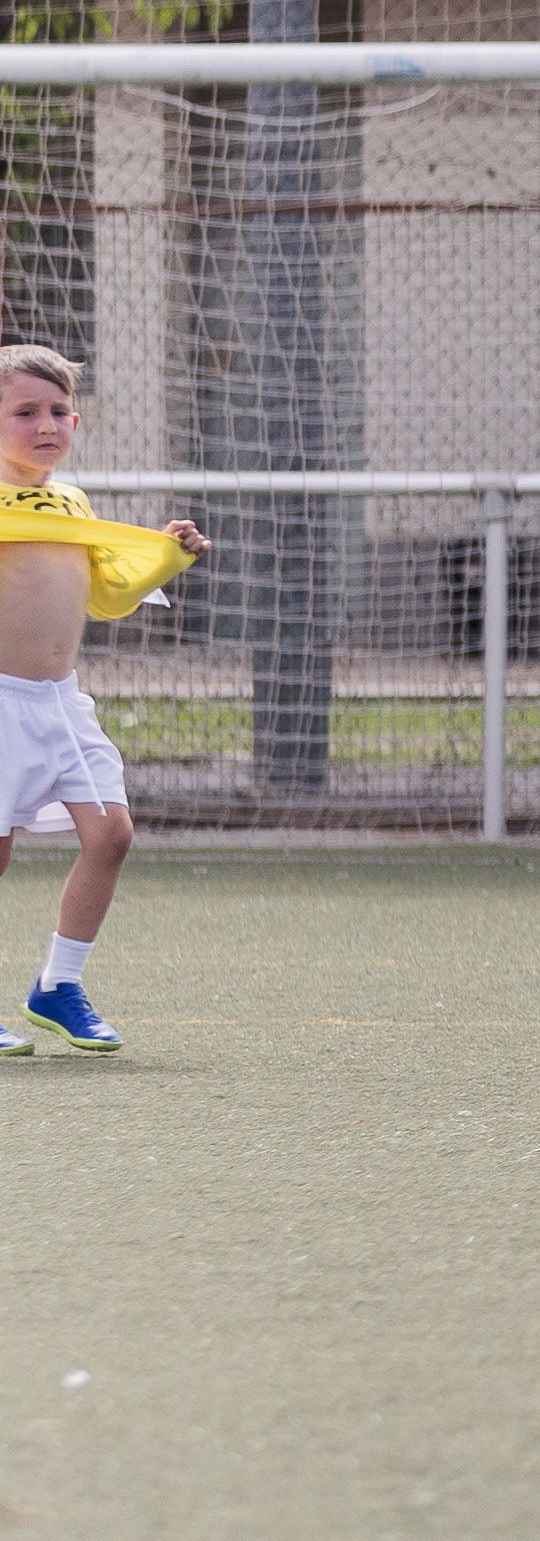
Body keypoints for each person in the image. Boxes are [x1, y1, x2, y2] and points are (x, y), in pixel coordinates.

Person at [0, 344, 203, 1054]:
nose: (46, 425)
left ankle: (58, 986)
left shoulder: (72, 503)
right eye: (25, 412)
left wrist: (166, 557)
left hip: (60, 704)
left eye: (59, 411)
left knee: (112, 833)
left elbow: (109, 598)